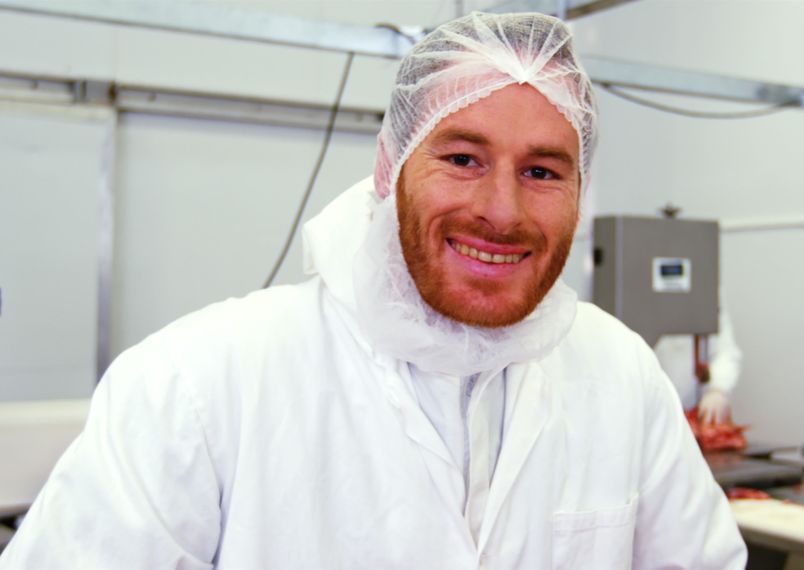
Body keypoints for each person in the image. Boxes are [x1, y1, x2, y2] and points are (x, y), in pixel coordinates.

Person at [0, 12, 746, 569]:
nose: (502, 210)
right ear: (389, 170)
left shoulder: (620, 375)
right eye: (461, 157)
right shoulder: (197, 384)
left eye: (543, 171)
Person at [654, 295, 742, 426]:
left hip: (696, 411)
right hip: (654, 407)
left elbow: (726, 350)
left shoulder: (707, 287)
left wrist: (717, 389)